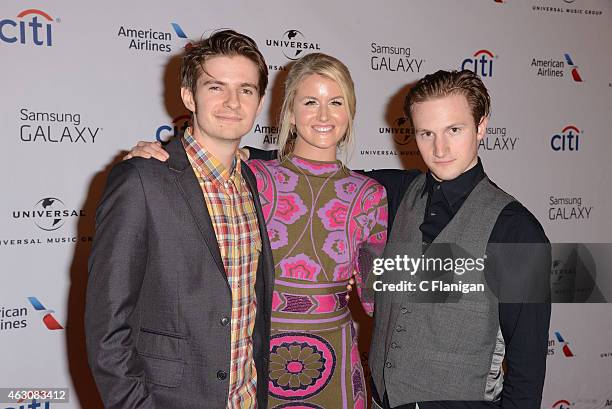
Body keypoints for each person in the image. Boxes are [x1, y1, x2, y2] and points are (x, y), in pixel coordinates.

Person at [125, 52, 388, 408]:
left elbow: (380, 300)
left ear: (350, 112)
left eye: (336, 102)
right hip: (253, 365)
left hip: (337, 366)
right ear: (290, 113)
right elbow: (193, 167)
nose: (324, 115)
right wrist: (152, 155)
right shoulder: (253, 176)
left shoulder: (371, 194)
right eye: (310, 101)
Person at [85, 30, 275, 409]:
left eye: (246, 90)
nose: (232, 102)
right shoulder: (142, 179)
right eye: (216, 87)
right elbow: (107, 327)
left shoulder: (253, 180)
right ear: (189, 95)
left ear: (259, 102)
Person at [367, 70, 551, 409]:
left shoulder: (517, 230)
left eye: (454, 129)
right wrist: (245, 156)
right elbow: (320, 173)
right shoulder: (394, 193)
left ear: (481, 126)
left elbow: (527, 369)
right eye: (426, 133)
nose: (440, 148)